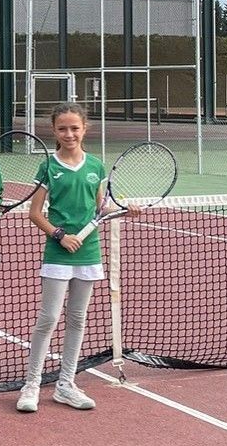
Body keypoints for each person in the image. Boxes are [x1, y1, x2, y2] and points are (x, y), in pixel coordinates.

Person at [16, 102, 140, 413]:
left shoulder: (95, 166)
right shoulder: (49, 166)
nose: (69, 133)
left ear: (84, 129)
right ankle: (31, 384)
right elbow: (34, 213)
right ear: (54, 131)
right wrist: (60, 235)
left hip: (89, 252)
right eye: (62, 128)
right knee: (47, 319)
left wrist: (126, 208)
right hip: (58, 253)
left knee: (77, 319)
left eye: (74, 128)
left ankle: (65, 384)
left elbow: (101, 209)